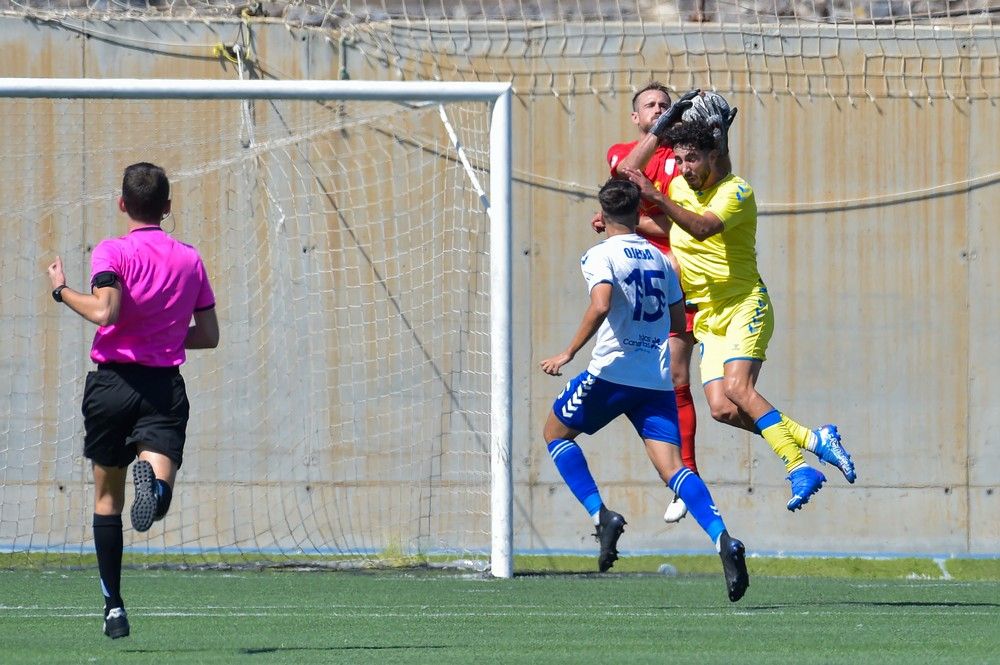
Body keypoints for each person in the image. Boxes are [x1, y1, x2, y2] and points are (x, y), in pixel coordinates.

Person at [620, 117, 856, 513]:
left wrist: (657, 198)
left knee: (738, 389)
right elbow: (645, 193)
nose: (684, 168)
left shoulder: (737, 191)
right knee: (723, 408)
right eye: (678, 160)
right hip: (708, 315)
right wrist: (629, 220)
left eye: (692, 158)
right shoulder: (678, 187)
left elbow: (702, 228)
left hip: (746, 305)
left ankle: (798, 466)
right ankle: (815, 440)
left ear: (715, 155)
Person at [540, 178, 749, 602]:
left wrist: (567, 352)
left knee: (554, 434)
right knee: (674, 469)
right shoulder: (661, 259)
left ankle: (602, 515)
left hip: (610, 373)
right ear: (640, 213)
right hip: (654, 380)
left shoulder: (599, 255)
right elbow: (677, 321)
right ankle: (723, 539)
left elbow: (600, 304)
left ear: (601, 215)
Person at [46, 162, 219, 639]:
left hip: (112, 387)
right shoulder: (190, 259)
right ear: (167, 207)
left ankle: (114, 608)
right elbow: (208, 334)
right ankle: (157, 490)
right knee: (159, 492)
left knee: (107, 498)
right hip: (162, 387)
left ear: (123, 204)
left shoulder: (113, 250)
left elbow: (106, 311)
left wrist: (61, 290)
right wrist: (164, 336)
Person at [592, 82, 702, 524]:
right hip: (631, 286)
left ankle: (685, 475)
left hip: (674, 279)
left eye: (665, 105)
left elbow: (680, 228)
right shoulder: (624, 151)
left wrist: (627, 220)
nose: (660, 111)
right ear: (637, 118)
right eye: (652, 107)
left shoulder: (684, 162)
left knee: (678, 376)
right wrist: (660, 128)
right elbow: (621, 181)